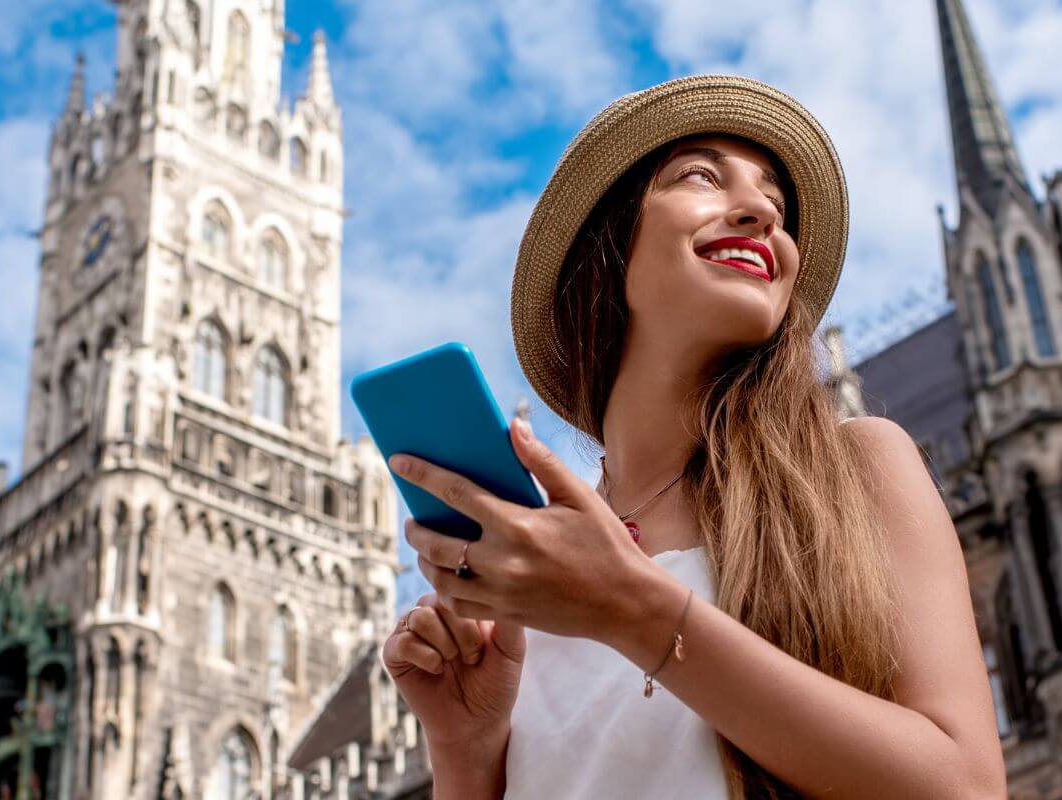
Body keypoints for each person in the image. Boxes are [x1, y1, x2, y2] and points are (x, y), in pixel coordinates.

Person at [380, 75, 1008, 799]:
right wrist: (464, 747)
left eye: (776, 203)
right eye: (702, 176)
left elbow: (965, 788)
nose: (759, 213)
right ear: (609, 249)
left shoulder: (858, 467)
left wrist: (631, 607)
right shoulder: (531, 578)